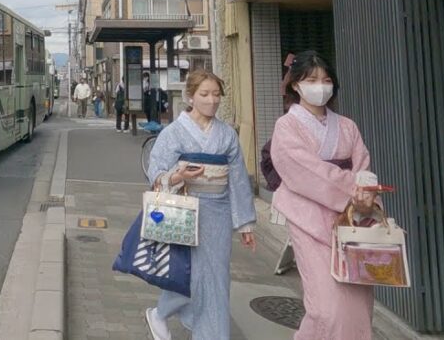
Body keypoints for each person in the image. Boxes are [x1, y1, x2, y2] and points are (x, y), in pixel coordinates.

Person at [270, 50, 379, 340]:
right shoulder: (287, 127)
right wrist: (352, 191)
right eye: (312, 80)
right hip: (309, 221)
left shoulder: (347, 126)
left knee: (357, 307)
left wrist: (366, 194)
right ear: (296, 85)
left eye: (326, 79)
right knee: (325, 309)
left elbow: (362, 167)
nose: (320, 86)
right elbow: (303, 171)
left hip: (353, 222)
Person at [144, 71, 257, 340]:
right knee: (190, 274)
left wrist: (245, 223)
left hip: (217, 212)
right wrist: (177, 176)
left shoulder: (227, 135)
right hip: (184, 208)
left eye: (216, 95)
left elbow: (238, 179)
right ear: (190, 96)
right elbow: (156, 170)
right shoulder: (174, 132)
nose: (212, 100)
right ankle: (160, 313)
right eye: (204, 94)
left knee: (218, 279)